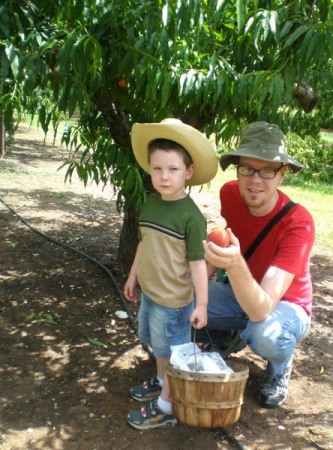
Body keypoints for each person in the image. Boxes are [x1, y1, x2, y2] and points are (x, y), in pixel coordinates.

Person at [203, 121, 315, 409]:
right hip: (242, 292)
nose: (255, 180)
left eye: (267, 170)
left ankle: (279, 368)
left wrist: (236, 263)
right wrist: (197, 282)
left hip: (284, 306)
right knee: (180, 296)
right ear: (237, 168)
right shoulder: (229, 193)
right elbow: (226, 243)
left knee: (263, 332)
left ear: (282, 174)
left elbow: (262, 307)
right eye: (247, 169)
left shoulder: (298, 223)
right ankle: (226, 334)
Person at [124, 118, 218, 430]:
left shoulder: (191, 218)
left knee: (175, 351)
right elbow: (144, 243)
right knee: (155, 343)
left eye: (173, 169)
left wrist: (201, 304)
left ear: (188, 171)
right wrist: (133, 276)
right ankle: (162, 379)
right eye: (157, 169)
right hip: (152, 293)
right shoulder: (151, 204)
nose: (164, 177)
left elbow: (197, 264)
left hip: (175, 302)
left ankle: (166, 405)